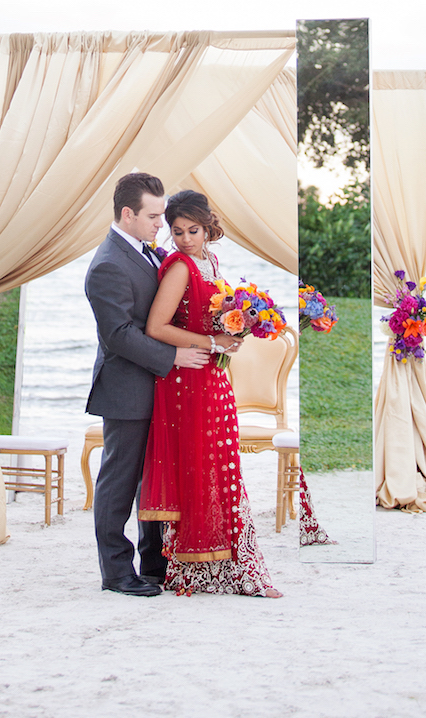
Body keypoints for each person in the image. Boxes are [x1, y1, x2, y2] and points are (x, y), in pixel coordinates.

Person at [138, 189, 283, 596]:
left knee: (220, 467)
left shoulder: (211, 261)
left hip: (213, 378)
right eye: (177, 230)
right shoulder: (180, 267)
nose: (185, 238)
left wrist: (231, 334)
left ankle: (230, 566)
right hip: (186, 381)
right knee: (197, 468)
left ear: (208, 228)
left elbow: (211, 319)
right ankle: (196, 569)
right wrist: (212, 342)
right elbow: (157, 328)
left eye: (193, 230)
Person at [84, 172, 210, 596]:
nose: (162, 224)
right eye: (154, 216)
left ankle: (154, 564)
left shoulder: (147, 252)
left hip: (159, 388)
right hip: (126, 390)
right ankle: (116, 573)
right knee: (119, 482)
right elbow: (117, 334)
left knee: (153, 480)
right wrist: (174, 355)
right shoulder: (106, 265)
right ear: (127, 213)